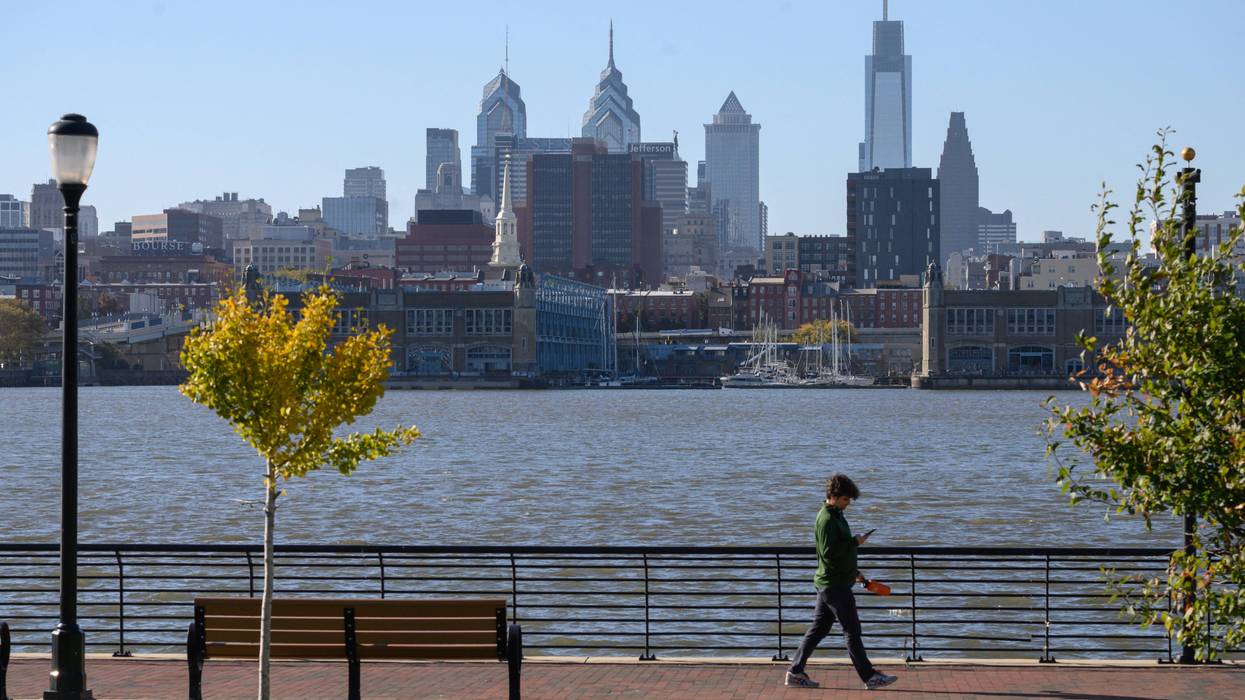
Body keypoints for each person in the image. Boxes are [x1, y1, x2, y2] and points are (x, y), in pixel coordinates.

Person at [784, 474, 897, 690]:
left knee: (819, 629)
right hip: (834, 585)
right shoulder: (827, 519)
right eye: (845, 499)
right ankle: (869, 676)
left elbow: (839, 552)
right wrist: (855, 542)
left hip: (832, 581)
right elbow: (829, 553)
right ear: (833, 496)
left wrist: (855, 572)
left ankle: (795, 672)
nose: (848, 504)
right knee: (852, 631)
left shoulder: (836, 515)